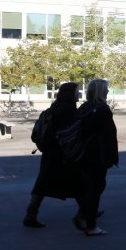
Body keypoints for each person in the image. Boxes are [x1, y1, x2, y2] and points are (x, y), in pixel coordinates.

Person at [24, 82, 84, 228]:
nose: (79, 94)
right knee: (77, 183)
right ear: (70, 93)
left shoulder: (55, 106)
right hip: (61, 153)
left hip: (51, 151)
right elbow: (70, 132)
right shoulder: (67, 110)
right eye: (77, 91)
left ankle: (31, 214)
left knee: (45, 183)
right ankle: (87, 211)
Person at [69, 78, 119, 236]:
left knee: (92, 187)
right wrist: (111, 157)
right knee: (96, 188)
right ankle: (90, 224)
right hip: (97, 155)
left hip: (84, 154)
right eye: (107, 89)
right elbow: (109, 135)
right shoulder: (102, 109)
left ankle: (84, 215)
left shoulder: (85, 107)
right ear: (101, 91)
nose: (108, 91)